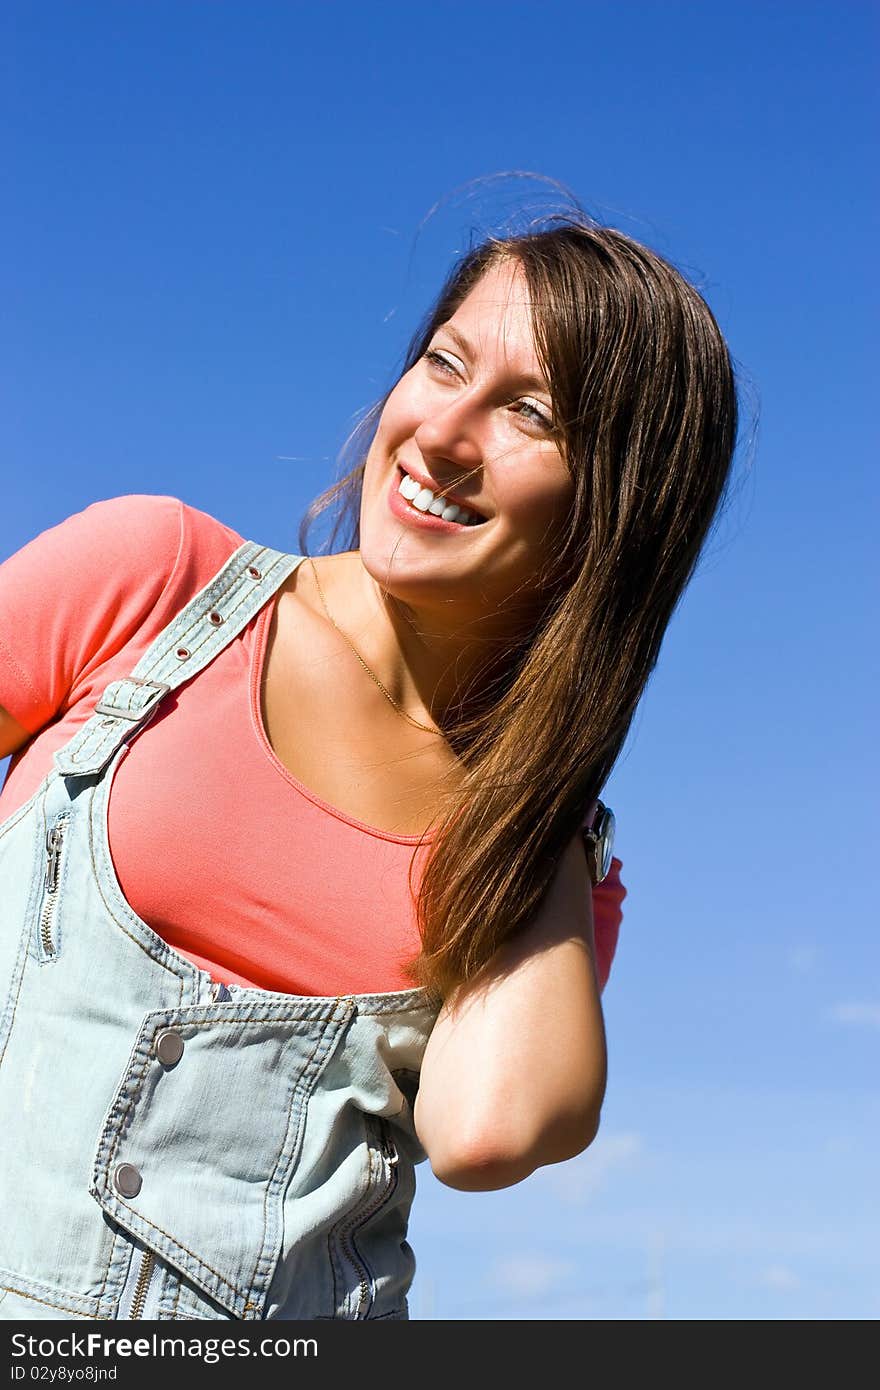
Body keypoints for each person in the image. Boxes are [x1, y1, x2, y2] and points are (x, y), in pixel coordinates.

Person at [0, 215, 737, 1321]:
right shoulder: (152, 580)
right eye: (444, 361)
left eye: (529, 412)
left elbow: (485, 1127)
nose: (443, 432)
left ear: (614, 513)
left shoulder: (539, 860)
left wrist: (543, 783)